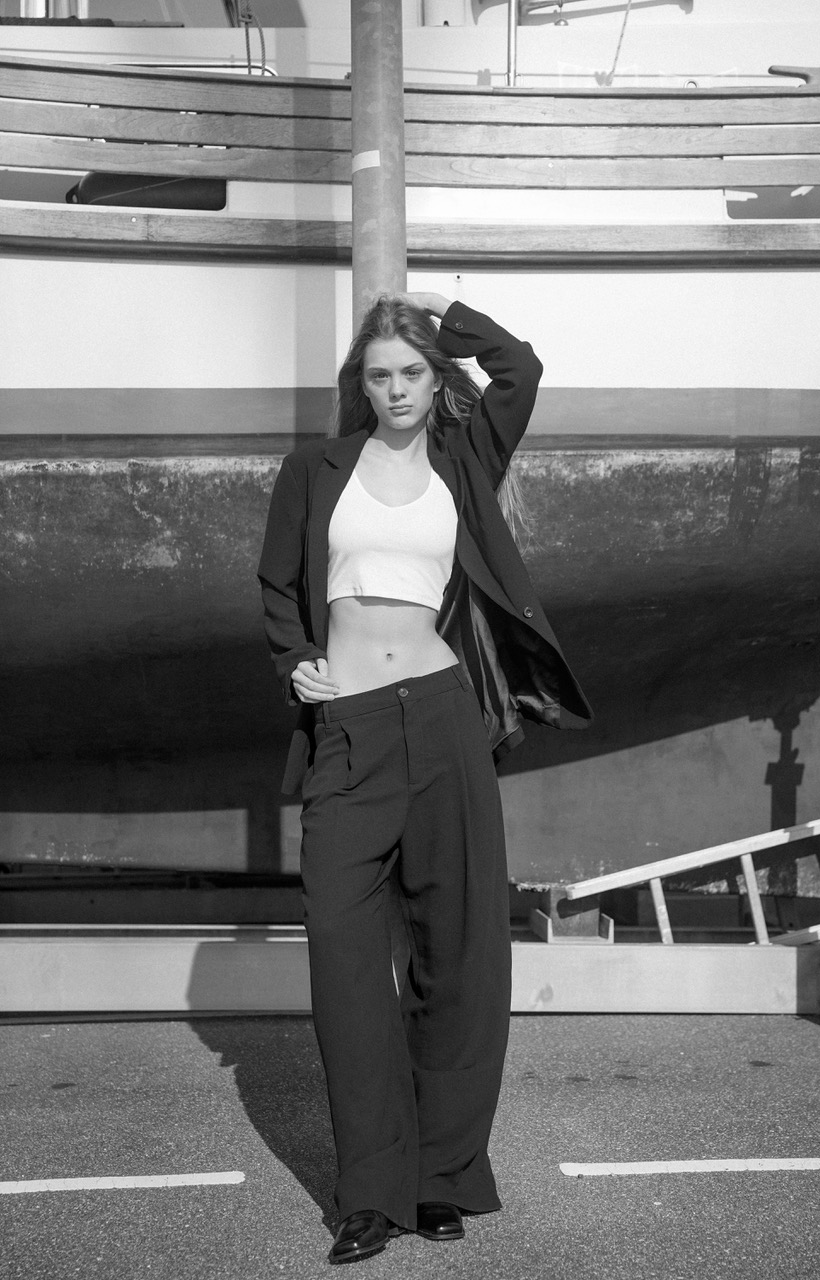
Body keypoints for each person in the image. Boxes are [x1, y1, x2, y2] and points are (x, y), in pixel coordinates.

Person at [258, 291, 592, 1265]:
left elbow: (521, 369)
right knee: (345, 964)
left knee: (461, 956)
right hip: (350, 731)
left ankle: (441, 1176)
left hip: (444, 720)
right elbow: (277, 585)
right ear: (359, 385)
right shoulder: (315, 470)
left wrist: (445, 318)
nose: (397, 389)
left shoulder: (463, 457)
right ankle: (370, 1192)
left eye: (411, 372)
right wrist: (295, 660)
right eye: (380, 374)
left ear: (432, 379)